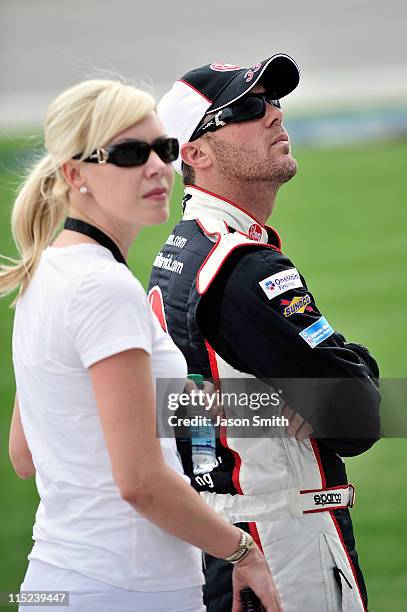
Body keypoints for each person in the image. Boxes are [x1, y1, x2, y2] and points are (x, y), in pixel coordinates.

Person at [1, 78, 282, 612]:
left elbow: (27, 450)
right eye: (130, 153)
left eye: (164, 148)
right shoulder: (102, 287)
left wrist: (255, 407)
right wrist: (243, 552)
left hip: (60, 578)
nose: (158, 167)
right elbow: (141, 482)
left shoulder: (49, 269)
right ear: (73, 173)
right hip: (126, 586)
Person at [148, 55, 381, 611]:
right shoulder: (244, 268)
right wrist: (353, 371)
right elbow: (359, 418)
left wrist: (337, 374)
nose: (275, 115)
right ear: (194, 154)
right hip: (281, 546)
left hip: (226, 538)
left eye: (274, 101)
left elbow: (180, 405)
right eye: (249, 108)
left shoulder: (185, 247)